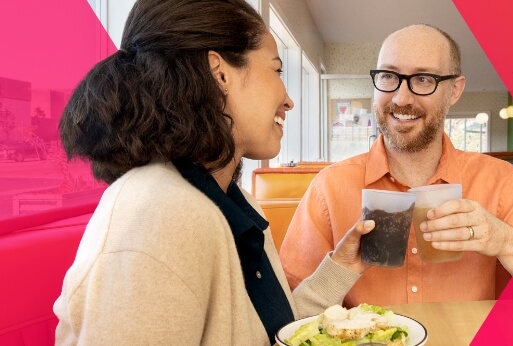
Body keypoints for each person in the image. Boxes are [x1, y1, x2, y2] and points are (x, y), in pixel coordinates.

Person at [53, 0, 373, 344]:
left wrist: (341, 267)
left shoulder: (234, 205)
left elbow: (267, 334)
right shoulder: (160, 217)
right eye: (276, 71)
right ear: (219, 74)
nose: (288, 100)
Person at [280, 24, 513, 315]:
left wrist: (504, 239)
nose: (401, 98)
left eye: (423, 79)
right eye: (388, 76)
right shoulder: (329, 188)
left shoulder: (501, 181)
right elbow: (287, 312)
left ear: (454, 91)